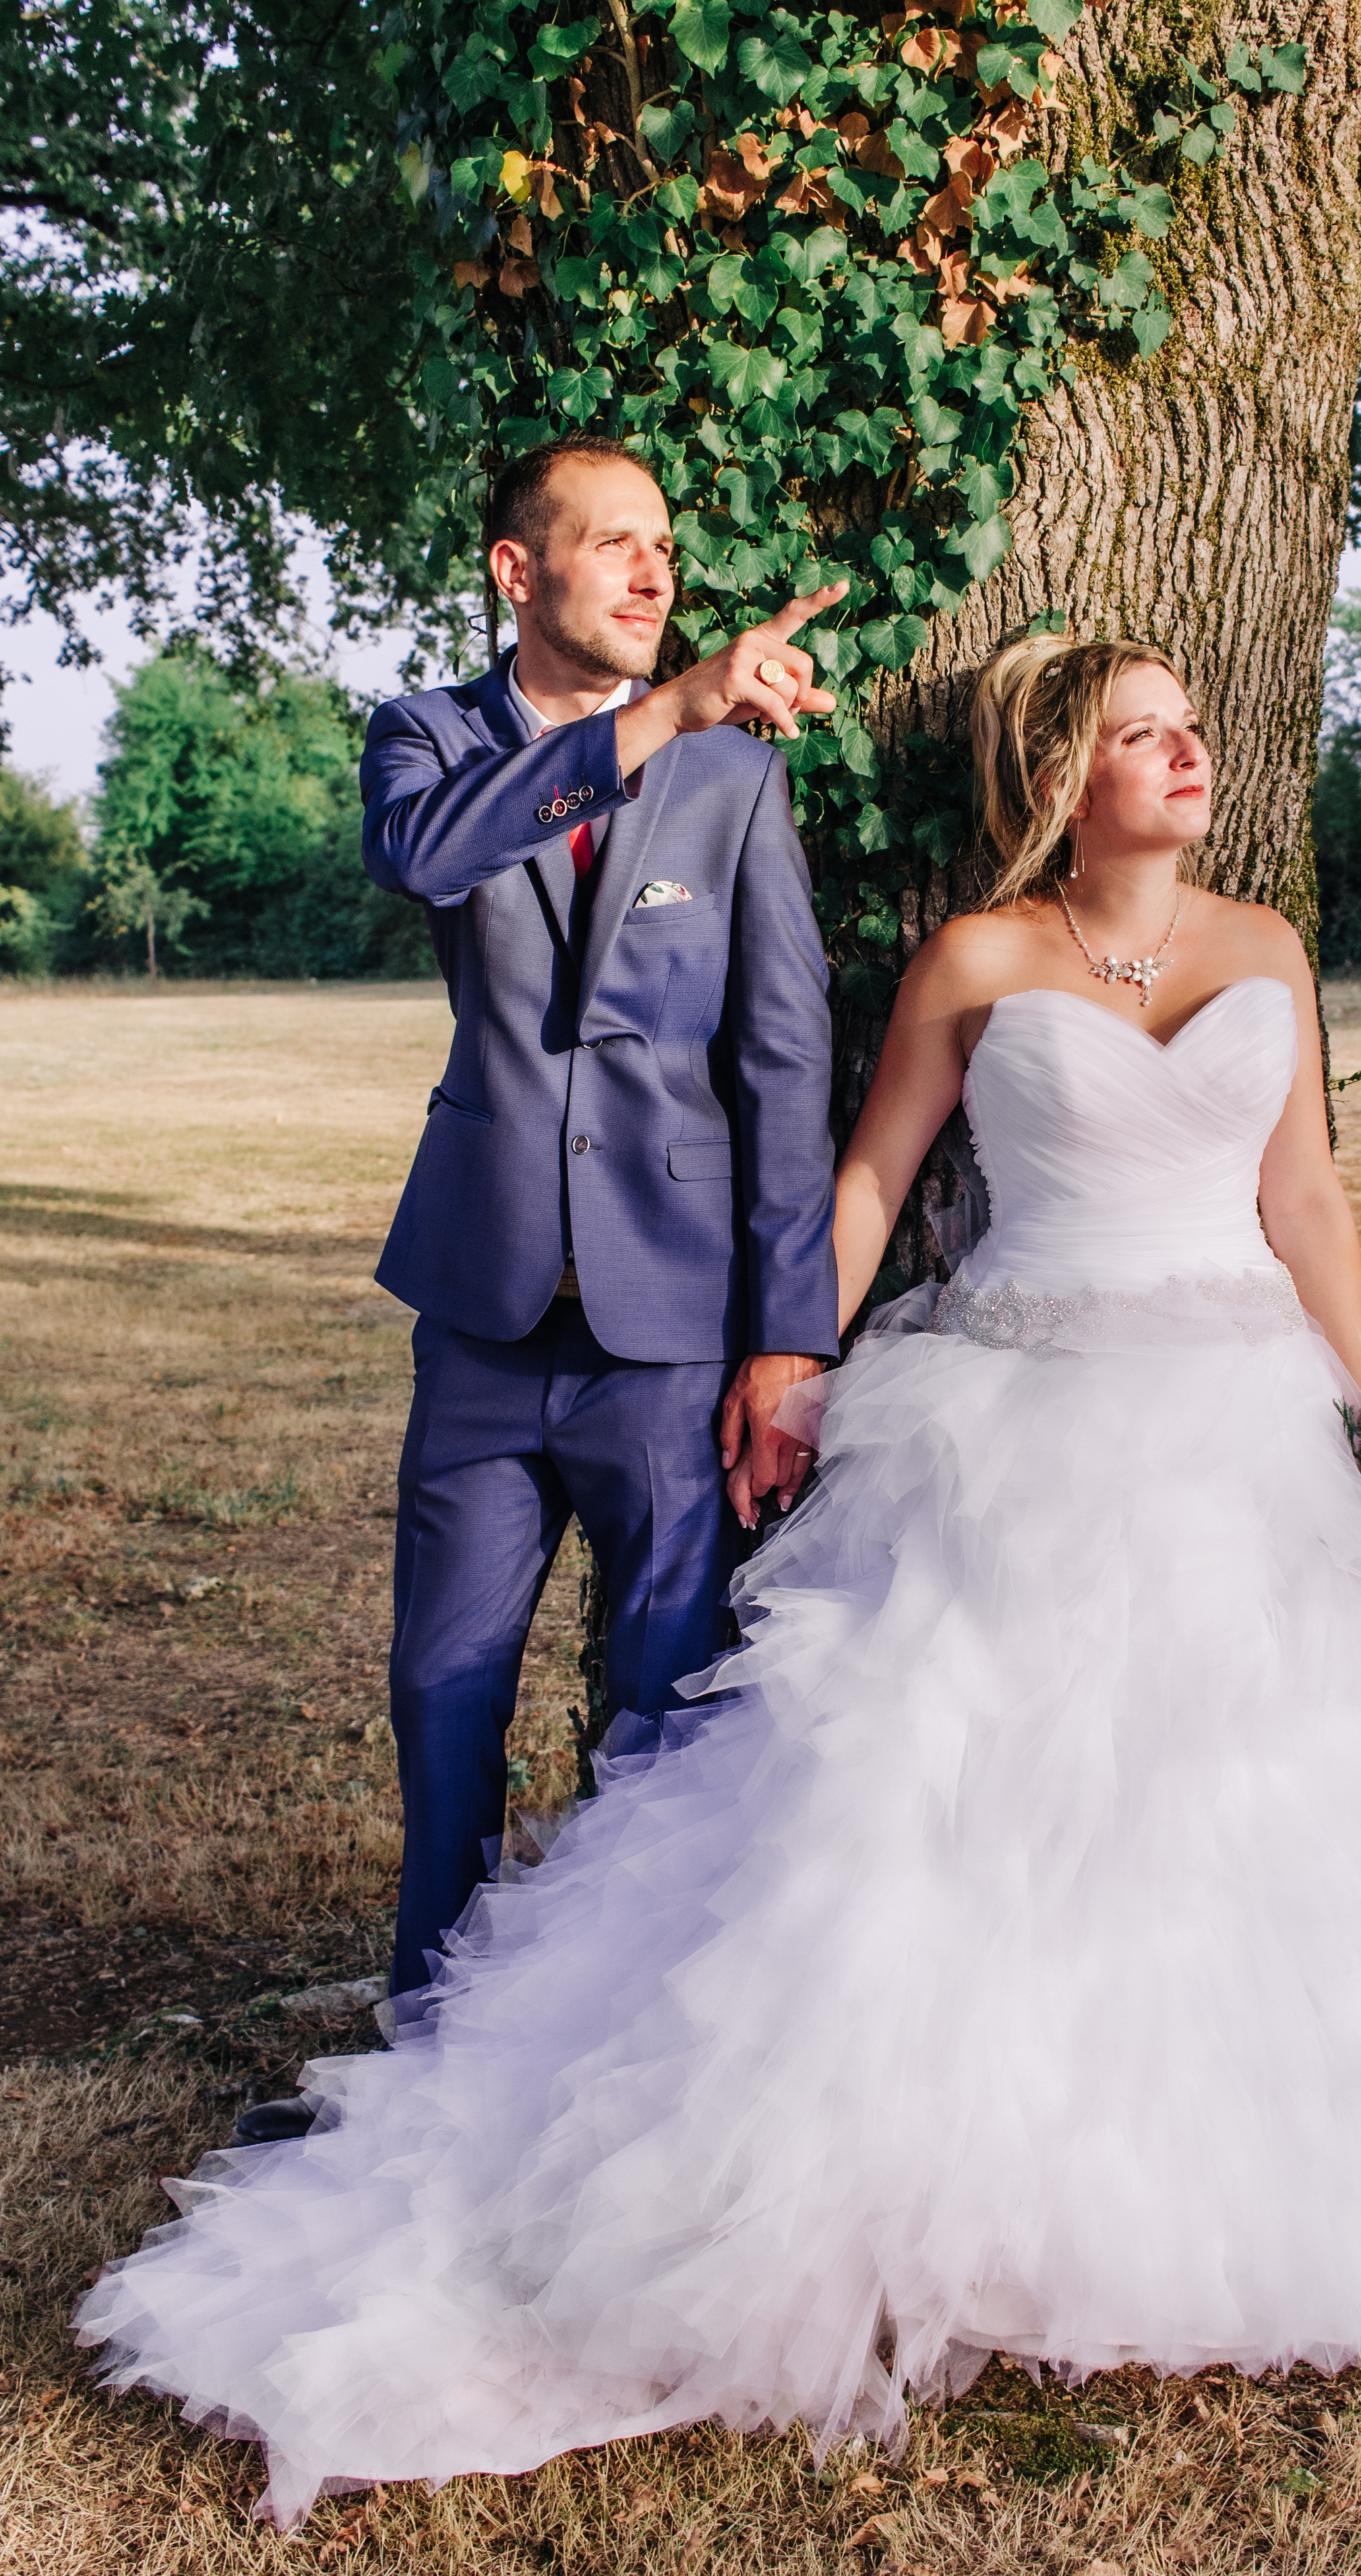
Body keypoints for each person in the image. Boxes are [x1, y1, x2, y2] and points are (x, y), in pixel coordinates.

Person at [77, 635, 1361, 2525]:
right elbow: (871, 1182)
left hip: (1240, 1418)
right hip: (1018, 1409)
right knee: (948, 1804)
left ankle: (1193, 2189)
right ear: (1063, 771)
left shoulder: (1268, 948)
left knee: (1231, 1800)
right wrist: (791, 1360)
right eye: (1139, 735)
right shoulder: (980, 961)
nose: (1185, 754)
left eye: (1192, 727)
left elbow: (1310, 1201)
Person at [233, 435, 844, 2145]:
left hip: (673, 1324)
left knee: (658, 1698)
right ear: (520, 571)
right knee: (445, 1684)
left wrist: (785, 1330)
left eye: (665, 548)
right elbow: (430, 860)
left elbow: (782, 1055)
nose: (656, 577)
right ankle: (429, 2033)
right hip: (488, 1308)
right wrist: (652, 718)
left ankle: (623, 2059)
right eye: (615, 547)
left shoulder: (735, 782)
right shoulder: (429, 736)